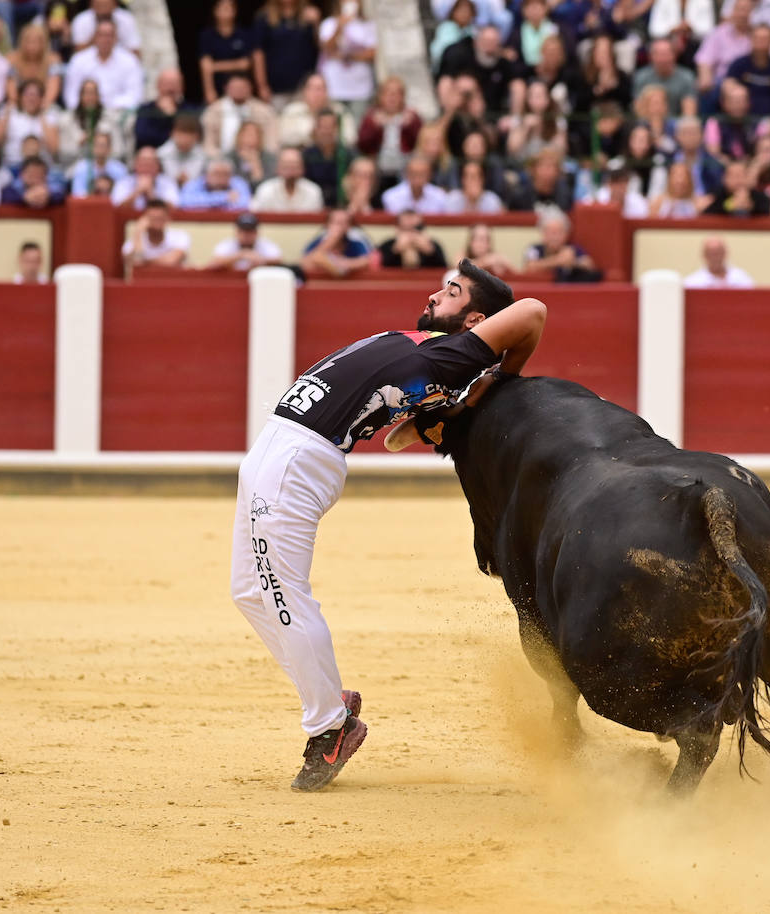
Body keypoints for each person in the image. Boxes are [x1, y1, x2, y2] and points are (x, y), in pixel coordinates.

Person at [231, 260, 545, 791]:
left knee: (283, 593)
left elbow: (531, 312)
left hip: (298, 458)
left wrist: (496, 376)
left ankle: (330, 726)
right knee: (249, 592)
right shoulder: (436, 353)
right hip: (279, 450)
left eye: (451, 292)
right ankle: (331, 702)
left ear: (475, 321)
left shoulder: (455, 354)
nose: (435, 294)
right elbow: (402, 427)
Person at [357, 75, 422, 190]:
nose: (392, 98)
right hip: (379, 168)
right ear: (381, 96)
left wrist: (409, 126)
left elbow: (419, 143)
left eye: (396, 94)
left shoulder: (412, 117)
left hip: (404, 168)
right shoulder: (371, 117)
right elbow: (362, 145)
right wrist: (375, 127)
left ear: (403, 97)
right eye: (388, 93)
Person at [252, 0, 321, 107]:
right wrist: (262, 85)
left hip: (304, 87)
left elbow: (322, 48)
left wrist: (317, 24)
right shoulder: (264, 17)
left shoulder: (308, 15)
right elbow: (258, 53)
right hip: (276, 88)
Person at [62, 20, 141, 111]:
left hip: (118, 114)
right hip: (83, 113)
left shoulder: (130, 60)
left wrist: (107, 107)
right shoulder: (79, 60)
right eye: (101, 35)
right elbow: (71, 95)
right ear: (95, 37)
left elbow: (134, 96)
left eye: (109, 35)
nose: (105, 39)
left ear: (116, 38)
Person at [317, 0, 376, 121]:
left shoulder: (367, 24)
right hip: (335, 88)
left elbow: (372, 54)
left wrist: (348, 56)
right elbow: (327, 49)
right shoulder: (329, 24)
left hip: (361, 90)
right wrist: (339, 27)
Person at [724, 25, 770, 119]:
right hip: (742, 119)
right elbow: (728, 87)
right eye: (758, 38)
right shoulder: (739, 64)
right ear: (751, 40)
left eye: (765, 39)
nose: (761, 42)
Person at [202, 74, 278, 157]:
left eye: (242, 87)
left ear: (250, 88)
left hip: (258, 158)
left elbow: (272, 143)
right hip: (221, 160)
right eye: (234, 88)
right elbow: (208, 144)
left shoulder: (265, 111)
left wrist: (264, 158)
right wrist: (220, 160)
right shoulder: (213, 111)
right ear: (226, 89)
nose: (238, 90)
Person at [0, 77, 59, 167]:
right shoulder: (8, 111)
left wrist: (42, 115)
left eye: (36, 95)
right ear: (20, 97)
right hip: (12, 164)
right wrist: (6, 115)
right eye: (27, 94)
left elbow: (54, 149)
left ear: (42, 98)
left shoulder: (50, 114)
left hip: (42, 166)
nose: (31, 98)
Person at [199, 0, 255, 103]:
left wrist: (215, 66)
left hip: (240, 90)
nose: (226, 12)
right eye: (223, 8)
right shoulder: (207, 36)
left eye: (229, 8)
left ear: (235, 11)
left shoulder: (243, 34)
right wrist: (209, 90)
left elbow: (245, 64)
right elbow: (205, 66)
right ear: (215, 11)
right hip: (217, 87)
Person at [522, 208, 597, 281]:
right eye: (551, 232)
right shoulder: (535, 249)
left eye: (559, 232)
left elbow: (589, 265)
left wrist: (573, 262)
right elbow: (529, 267)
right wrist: (558, 260)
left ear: (567, 234)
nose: (555, 237)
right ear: (543, 233)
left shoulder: (573, 249)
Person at [298, 207, 374, 277]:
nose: (338, 227)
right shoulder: (321, 239)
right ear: (327, 225)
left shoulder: (355, 240)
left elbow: (367, 260)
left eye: (342, 223)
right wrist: (331, 240)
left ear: (349, 226)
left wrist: (345, 263)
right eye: (335, 222)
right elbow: (305, 263)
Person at [632, 38, 696, 118]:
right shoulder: (641, 77)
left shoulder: (687, 77)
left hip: (677, 123)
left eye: (666, 54)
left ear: (674, 55)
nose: (663, 59)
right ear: (651, 57)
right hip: (648, 122)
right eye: (658, 54)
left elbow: (689, 112)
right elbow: (638, 109)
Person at [5, 22, 63, 106]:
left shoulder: (53, 60)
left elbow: (53, 88)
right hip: (17, 105)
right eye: (28, 42)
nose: (32, 46)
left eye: (36, 42)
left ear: (44, 43)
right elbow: (11, 89)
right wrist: (22, 108)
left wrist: (40, 108)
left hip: (44, 105)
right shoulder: (12, 59)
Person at [122, 198, 190, 268]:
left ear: (167, 218)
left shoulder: (179, 236)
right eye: (153, 218)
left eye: (160, 218)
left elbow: (171, 261)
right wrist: (138, 232)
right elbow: (133, 262)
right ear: (145, 219)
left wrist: (144, 262)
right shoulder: (134, 241)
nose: (157, 223)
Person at [251, 146, 324, 211]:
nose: (291, 170)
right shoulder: (265, 190)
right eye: (286, 165)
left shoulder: (313, 191)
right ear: (278, 168)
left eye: (295, 165)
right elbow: (256, 215)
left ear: (302, 168)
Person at [204, 211, 284, 271]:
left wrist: (262, 261)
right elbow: (212, 264)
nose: (247, 235)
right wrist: (240, 255)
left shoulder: (265, 244)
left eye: (250, 231)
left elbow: (278, 260)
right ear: (237, 232)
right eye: (244, 231)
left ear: (256, 233)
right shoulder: (228, 244)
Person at [378, 208, 448, 269]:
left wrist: (430, 252)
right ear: (397, 229)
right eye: (406, 229)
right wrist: (395, 250)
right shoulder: (387, 246)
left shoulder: (433, 246)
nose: (412, 235)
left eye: (416, 229)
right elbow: (377, 268)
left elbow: (444, 270)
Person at [380, 154, 449, 215]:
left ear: (430, 175)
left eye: (422, 174)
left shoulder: (440, 196)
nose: (417, 178)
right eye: (414, 173)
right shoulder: (390, 197)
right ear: (406, 174)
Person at [113, 147, 179, 209]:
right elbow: (117, 208)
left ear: (158, 166)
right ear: (135, 165)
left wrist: (151, 194)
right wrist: (137, 192)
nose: (147, 168)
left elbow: (174, 208)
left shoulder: (168, 182)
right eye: (143, 164)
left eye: (150, 164)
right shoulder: (124, 182)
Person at [683, 236, 755, 289]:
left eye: (719, 253)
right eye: (711, 254)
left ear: (725, 253)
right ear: (704, 255)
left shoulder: (741, 278)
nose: (715, 258)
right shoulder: (692, 283)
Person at [70, 0, 140, 54]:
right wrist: (98, 38)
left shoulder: (126, 18)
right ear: (92, 4)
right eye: (100, 5)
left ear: (115, 4)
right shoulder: (81, 20)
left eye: (106, 5)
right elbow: (79, 51)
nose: (103, 10)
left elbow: (135, 50)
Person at [179, 157, 251, 210]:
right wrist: (224, 197)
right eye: (216, 173)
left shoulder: (239, 183)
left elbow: (244, 204)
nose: (221, 177)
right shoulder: (193, 184)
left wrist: (206, 204)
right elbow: (185, 201)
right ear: (207, 175)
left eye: (226, 174)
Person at [68, 130, 125, 196]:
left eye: (103, 145)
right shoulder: (82, 168)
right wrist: (95, 189)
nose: (99, 149)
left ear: (110, 149)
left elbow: (123, 195)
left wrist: (109, 189)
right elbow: (78, 194)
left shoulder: (120, 169)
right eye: (96, 145)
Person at [157, 114, 207, 186]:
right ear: (172, 134)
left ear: (197, 137)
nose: (184, 140)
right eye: (180, 135)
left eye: (188, 136)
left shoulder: (203, 156)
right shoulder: (160, 154)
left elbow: (195, 180)